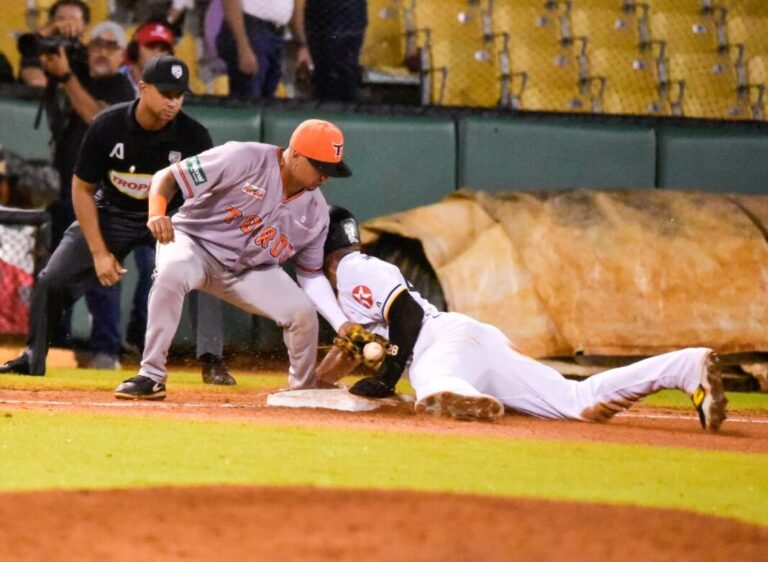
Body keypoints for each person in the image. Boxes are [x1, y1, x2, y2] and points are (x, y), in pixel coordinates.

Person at [316, 206, 729, 432]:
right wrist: (318, 380)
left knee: (431, 383)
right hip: (473, 342)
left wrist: (387, 377)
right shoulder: (351, 289)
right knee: (577, 401)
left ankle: (455, 394)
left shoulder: (352, 269)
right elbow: (350, 356)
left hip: (440, 343)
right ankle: (684, 366)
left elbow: (405, 313)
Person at [0, 55, 234, 386]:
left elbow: (205, 197)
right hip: (112, 213)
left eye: (179, 95)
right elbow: (81, 188)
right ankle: (32, 356)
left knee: (202, 268)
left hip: (170, 218)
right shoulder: (108, 125)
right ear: (143, 89)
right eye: (166, 93)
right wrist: (98, 252)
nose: (173, 102)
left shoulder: (194, 137)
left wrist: (183, 229)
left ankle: (212, 359)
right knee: (52, 278)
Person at [113, 118, 354, 400]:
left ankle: (302, 391)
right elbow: (167, 177)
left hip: (250, 271)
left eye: (330, 170)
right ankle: (151, 375)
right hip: (194, 245)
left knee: (302, 313)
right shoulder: (243, 157)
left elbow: (311, 276)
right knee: (172, 272)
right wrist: (156, 213)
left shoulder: (316, 212)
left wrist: (341, 323)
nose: (324, 176)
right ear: (296, 154)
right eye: (319, 166)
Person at [216, 0, 311, 99]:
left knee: (267, 101)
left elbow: (294, 9)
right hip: (251, 31)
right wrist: (243, 46)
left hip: (277, 35)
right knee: (249, 98)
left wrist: (302, 44)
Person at [304, 0, 367, 102]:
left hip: (348, 16)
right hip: (322, 17)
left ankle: (345, 108)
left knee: (343, 69)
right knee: (325, 69)